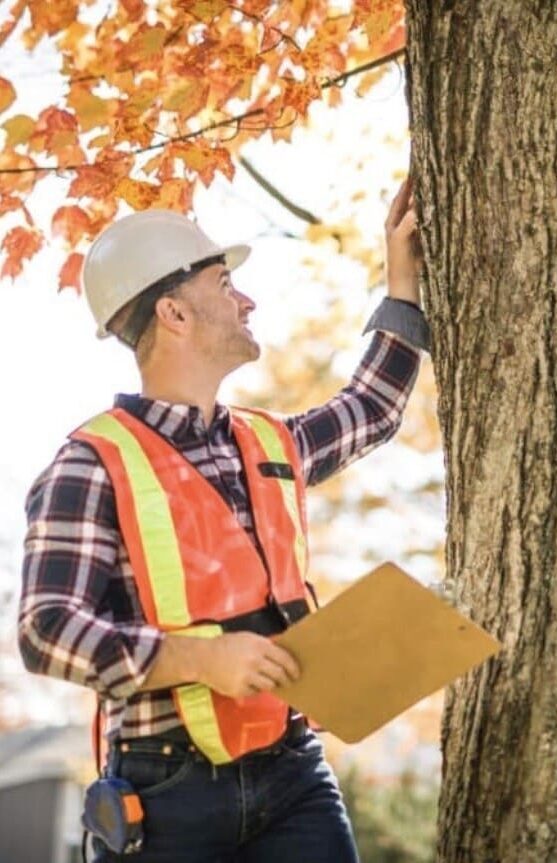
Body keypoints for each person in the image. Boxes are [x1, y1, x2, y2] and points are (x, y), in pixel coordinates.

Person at [18, 178, 429, 862]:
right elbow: (45, 629)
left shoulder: (269, 444)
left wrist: (402, 281)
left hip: (292, 770)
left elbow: (372, 409)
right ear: (175, 313)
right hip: (165, 790)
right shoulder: (91, 463)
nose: (247, 299)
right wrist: (198, 658)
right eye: (223, 281)